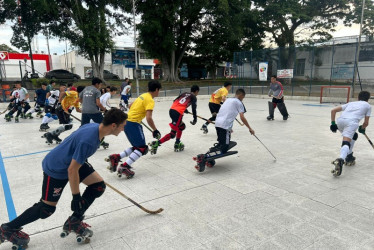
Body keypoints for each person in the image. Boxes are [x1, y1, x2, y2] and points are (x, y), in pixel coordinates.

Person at [0, 109, 127, 249]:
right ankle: (8, 228)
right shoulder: (89, 140)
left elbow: (72, 144)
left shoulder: (94, 127)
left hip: (71, 161)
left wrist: (80, 160)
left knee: (98, 186)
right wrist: (76, 196)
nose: (123, 129)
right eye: (123, 125)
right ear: (114, 125)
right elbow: (72, 170)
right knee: (47, 209)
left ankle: (74, 220)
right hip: (56, 167)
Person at [106, 80, 162, 178]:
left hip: (127, 121)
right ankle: (124, 166)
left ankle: (116, 157)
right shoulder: (150, 100)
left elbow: (130, 105)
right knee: (142, 149)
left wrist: (137, 113)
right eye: (159, 90)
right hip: (133, 123)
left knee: (137, 147)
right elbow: (149, 118)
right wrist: (155, 130)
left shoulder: (143, 95)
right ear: (156, 89)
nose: (159, 92)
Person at [194, 88, 255, 172]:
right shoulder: (239, 102)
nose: (242, 99)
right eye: (243, 97)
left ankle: (210, 157)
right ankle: (203, 157)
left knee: (220, 144)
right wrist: (250, 128)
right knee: (224, 148)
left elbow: (227, 112)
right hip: (225, 126)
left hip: (218, 123)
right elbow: (242, 117)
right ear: (241, 95)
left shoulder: (228, 100)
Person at [330, 90, 371, 176]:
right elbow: (366, 123)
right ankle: (341, 159)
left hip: (340, 121)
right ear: (368, 99)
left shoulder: (351, 103)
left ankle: (349, 156)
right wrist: (362, 128)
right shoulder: (368, 106)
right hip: (351, 123)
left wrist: (333, 124)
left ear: (358, 98)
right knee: (346, 142)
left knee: (354, 135)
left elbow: (333, 111)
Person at [149, 85, 199, 154]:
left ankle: (177, 142)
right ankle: (157, 143)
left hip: (172, 110)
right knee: (172, 134)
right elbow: (194, 109)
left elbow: (175, 100)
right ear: (196, 91)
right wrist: (195, 119)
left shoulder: (184, 93)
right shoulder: (194, 97)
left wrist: (185, 109)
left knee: (182, 126)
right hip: (178, 113)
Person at [79, 77, 109, 148]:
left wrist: (86, 104)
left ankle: (81, 141)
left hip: (84, 110)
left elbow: (79, 99)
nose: (100, 86)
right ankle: (99, 141)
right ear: (96, 84)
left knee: (83, 127)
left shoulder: (85, 89)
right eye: (100, 84)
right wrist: (105, 110)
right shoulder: (96, 91)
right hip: (93, 111)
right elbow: (98, 103)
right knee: (103, 125)